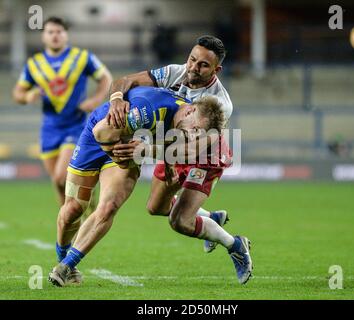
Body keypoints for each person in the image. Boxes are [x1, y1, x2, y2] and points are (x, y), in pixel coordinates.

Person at [47, 86, 229, 287]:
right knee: (73, 209)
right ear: (190, 111)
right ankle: (62, 255)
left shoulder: (182, 120)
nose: (193, 136)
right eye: (195, 130)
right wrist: (121, 158)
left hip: (129, 147)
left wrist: (164, 162)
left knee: (109, 207)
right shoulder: (147, 110)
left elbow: (168, 142)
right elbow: (102, 132)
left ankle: (66, 267)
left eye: (198, 134)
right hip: (96, 139)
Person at [106, 35, 250, 262]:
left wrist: (146, 150)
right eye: (192, 59)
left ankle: (235, 245)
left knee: (179, 221)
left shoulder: (220, 104)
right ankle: (210, 218)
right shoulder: (177, 71)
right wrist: (116, 99)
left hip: (206, 155)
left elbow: (192, 150)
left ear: (216, 69)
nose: (193, 67)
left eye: (203, 65)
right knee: (155, 207)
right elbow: (125, 81)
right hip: (173, 143)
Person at [12, 16, 112, 206]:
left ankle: (85, 208)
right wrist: (27, 96)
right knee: (58, 183)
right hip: (49, 128)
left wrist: (96, 99)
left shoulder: (82, 57)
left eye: (59, 32)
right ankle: (68, 221)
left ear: (66, 35)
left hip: (76, 125)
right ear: (44, 36)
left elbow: (105, 78)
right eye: (50, 32)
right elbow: (18, 92)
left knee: (61, 177)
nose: (55, 36)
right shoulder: (35, 64)